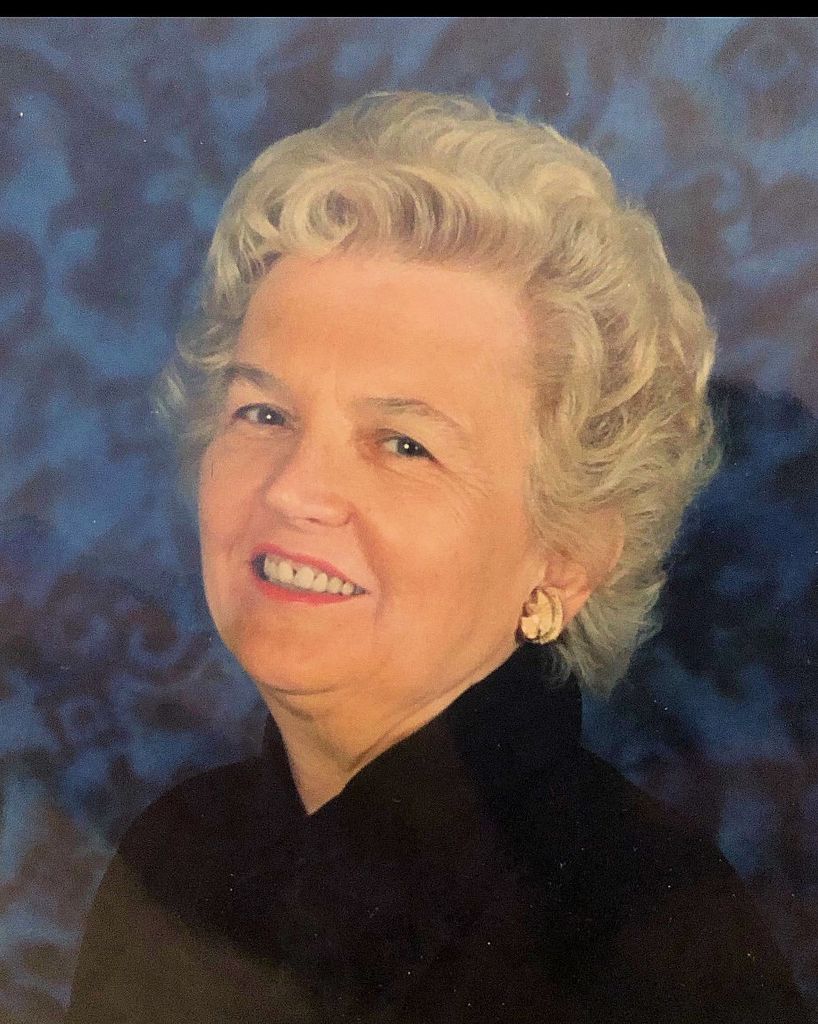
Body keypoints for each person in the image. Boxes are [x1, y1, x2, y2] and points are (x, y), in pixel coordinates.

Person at [65, 90, 805, 1023]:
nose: (295, 489)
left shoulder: (645, 951)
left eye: (404, 444)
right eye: (265, 412)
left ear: (567, 557)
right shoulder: (176, 858)